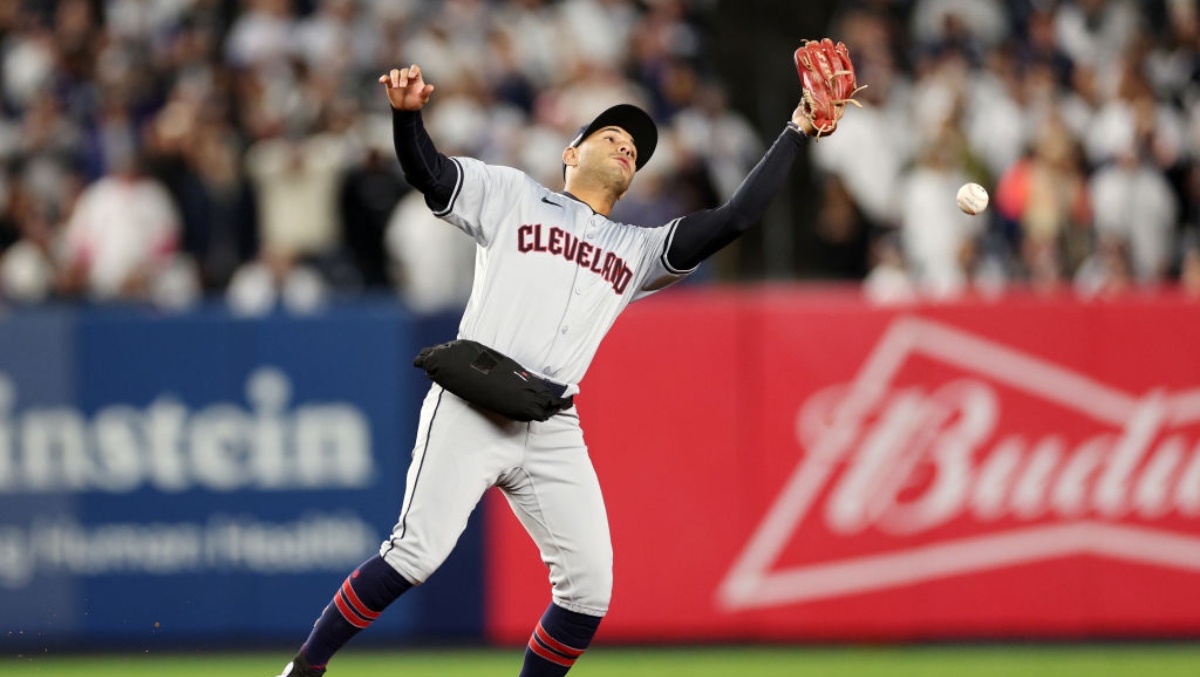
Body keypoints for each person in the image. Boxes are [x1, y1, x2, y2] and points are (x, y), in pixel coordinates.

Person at [273, 61, 836, 677]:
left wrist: (797, 127)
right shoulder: (513, 194)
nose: (626, 146)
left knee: (588, 592)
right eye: (612, 136)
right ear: (571, 151)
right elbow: (429, 173)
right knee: (415, 555)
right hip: (472, 403)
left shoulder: (637, 249)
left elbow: (736, 218)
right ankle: (303, 669)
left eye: (635, 149)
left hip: (551, 424)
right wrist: (407, 118)